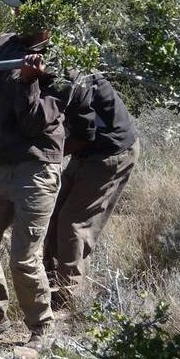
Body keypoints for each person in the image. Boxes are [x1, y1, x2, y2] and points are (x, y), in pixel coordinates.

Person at [0, 0, 64, 350]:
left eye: (25, 12)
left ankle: (41, 330)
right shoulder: (4, 43)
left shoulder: (61, 58)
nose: (17, 16)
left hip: (35, 168)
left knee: (24, 258)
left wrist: (29, 82)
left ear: (43, 19)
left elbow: (38, 122)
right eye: (18, 10)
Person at [43, 71, 139, 309]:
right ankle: (51, 282)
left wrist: (42, 157)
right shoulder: (49, 74)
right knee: (52, 213)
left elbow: (85, 134)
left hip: (110, 153)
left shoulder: (74, 79)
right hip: (87, 151)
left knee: (74, 223)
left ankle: (69, 297)